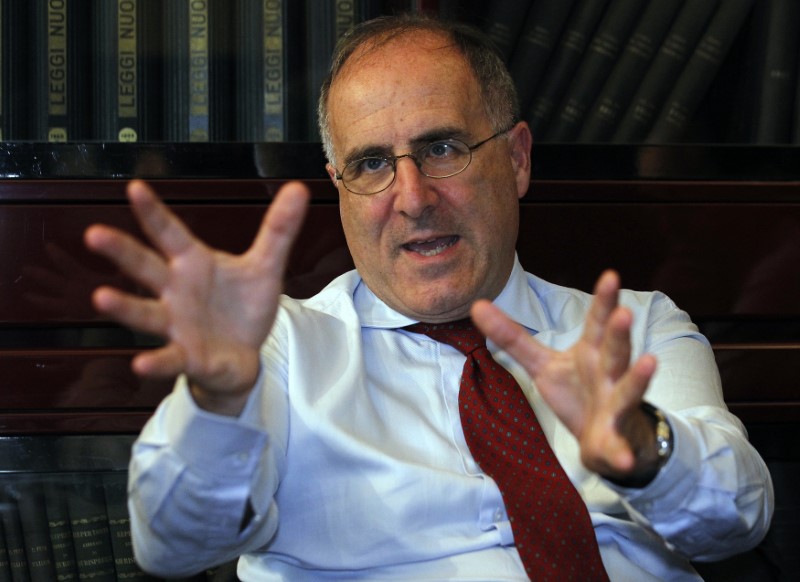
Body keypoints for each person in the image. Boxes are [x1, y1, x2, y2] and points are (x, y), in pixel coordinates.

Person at [84, 13, 773, 582]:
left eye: (442, 147)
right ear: (340, 186)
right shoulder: (275, 351)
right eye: (372, 163)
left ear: (517, 158)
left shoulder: (633, 329)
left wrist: (641, 449)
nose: (412, 199)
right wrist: (216, 406)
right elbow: (172, 547)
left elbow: (736, 524)